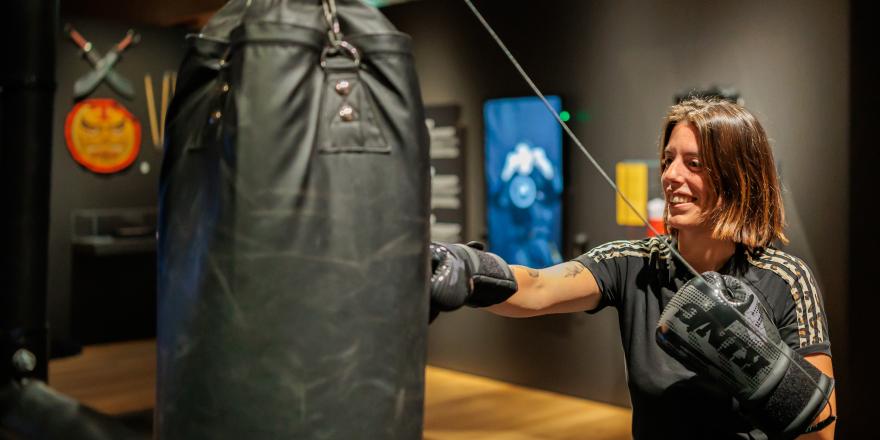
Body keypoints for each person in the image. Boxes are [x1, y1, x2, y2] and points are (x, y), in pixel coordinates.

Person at [430, 98, 836, 439]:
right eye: (668, 160)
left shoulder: (785, 277)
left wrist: (761, 365)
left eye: (694, 164)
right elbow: (536, 288)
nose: (671, 176)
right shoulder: (636, 263)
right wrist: (467, 267)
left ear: (738, 176)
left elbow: (822, 430)